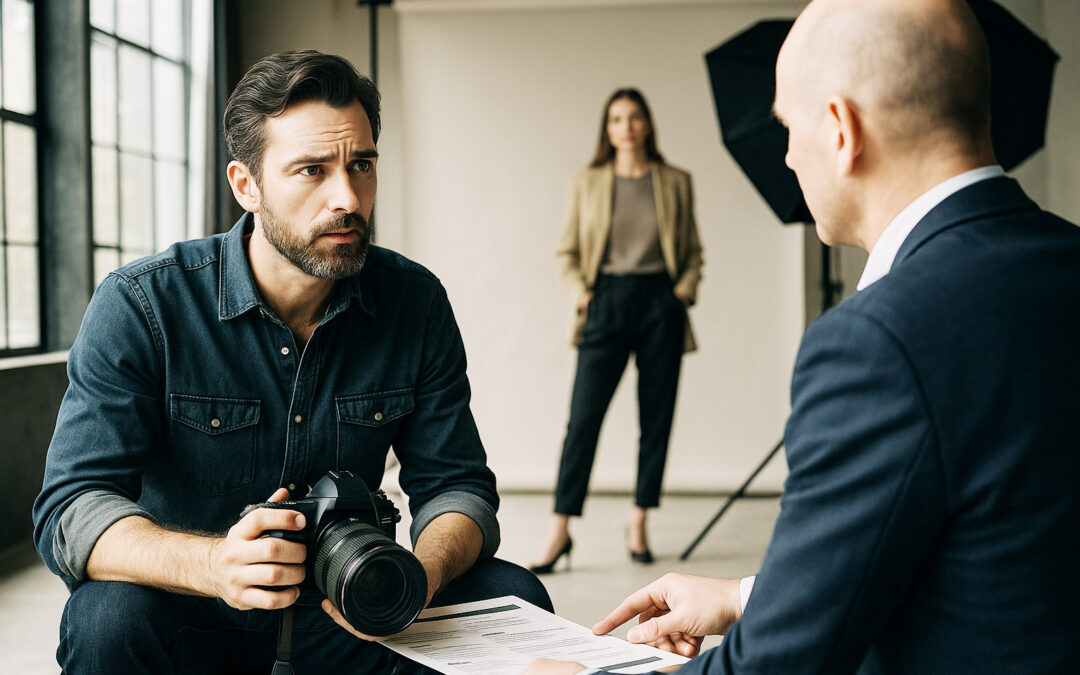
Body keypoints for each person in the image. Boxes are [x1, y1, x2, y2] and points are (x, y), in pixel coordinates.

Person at [527, 0, 1080, 672]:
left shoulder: (875, 341)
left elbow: (777, 667)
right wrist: (748, 594)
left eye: (788, 125)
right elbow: (993, 555)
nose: (787, 154)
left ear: (842, 130)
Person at [31, 50, 550, 674]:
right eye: (312, 170)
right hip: (194, 610)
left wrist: (421, 573)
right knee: (106, 618)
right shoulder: (143, 304)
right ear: (245, 185)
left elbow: (457, 487)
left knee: (513, 598)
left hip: (356, 612)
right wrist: (214, 565)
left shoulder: (414, 302)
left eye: (361, 165)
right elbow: (72, 506)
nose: (347, 198)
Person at [531, 89, 704, 573]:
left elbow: (692, 252)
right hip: (604, 302)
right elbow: (566, 253)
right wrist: (582, 294)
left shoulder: (675, 182)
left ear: (647, 124)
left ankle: (639, 520)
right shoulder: (587, 182)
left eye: (633, 117)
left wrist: (682, 292)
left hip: (659, 306)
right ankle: (560, 528)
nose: (625, 127)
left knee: (657, 418)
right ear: (607, 130)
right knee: (582, 420)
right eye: (616, 119)